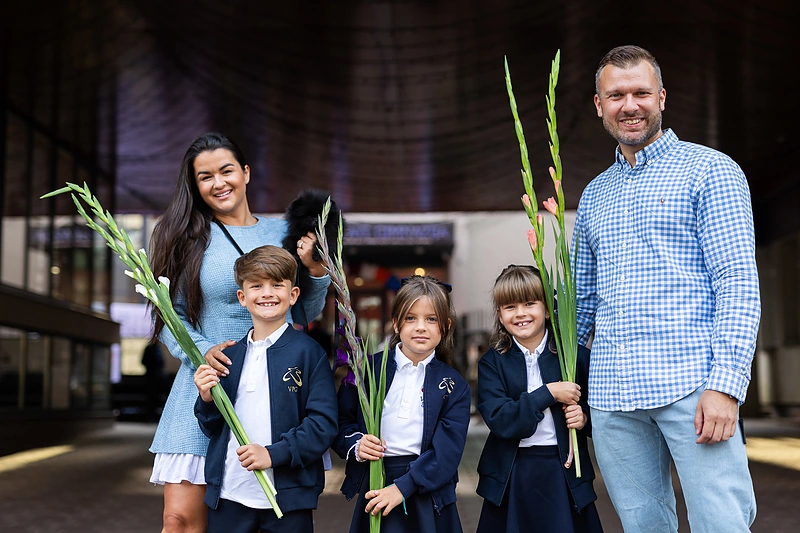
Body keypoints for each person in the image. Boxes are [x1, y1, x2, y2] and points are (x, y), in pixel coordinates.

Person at [574, 45, 760, 532]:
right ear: (599, 104)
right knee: (642, 526)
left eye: (640, 92)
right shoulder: (594, 195)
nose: (629, 105)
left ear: (661, 97)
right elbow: (582, 303)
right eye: (616, 95)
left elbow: (737, 282)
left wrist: (726, 386)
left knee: (721, 523)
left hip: (693, 386)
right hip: (613, 395)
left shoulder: (711, 170)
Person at [147, 132, 330, 533]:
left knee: (260, 516)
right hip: (208, 384)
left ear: (245, 173)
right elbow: (168, 315)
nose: (219, 183)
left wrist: (316, 270)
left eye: (226, 170)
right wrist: (201, 351)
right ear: (195, 185)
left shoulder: (282, 232)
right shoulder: (185, 237)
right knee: (179, 520)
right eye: (205, 176)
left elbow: (303, 312)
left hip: (274, 389)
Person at [193, 245, 337, 533]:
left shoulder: (309, 353)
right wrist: (206, 399)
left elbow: (323, 425)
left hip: (289, 496)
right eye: (257, 286)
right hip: (230, 493)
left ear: (293, 294)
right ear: (242, 297)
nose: (267, 293)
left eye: (277, 285)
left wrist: (273, 454)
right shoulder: (228, 357)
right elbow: (213, 427)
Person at [332, 275, 470, 533]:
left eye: (431, 319)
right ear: (396, 323)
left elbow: (447, 452)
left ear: (446, 326)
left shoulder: (454, 385)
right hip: (375, 485)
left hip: (428, 488)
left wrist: (402, 488)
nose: (421, 327)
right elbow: (339, 422)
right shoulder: (366, 371)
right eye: (410, 318)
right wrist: (357, 444)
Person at [475, 265, 603, 533]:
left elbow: (603, 412)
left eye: (529, 303)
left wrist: (584, 418)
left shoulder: (574, 356)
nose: (520, 313)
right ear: (500, 315)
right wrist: (549, 393)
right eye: (510, 307)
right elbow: (501, 420)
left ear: (546, 309)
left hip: (563, 474)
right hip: (512, 476)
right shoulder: (492, 363)